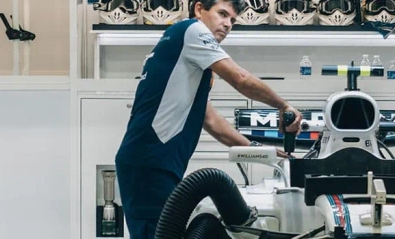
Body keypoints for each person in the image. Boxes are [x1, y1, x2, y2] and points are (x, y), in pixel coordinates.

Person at [113, 0, 303, 238]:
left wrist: (258, 149)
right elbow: (240, 78)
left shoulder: (187, 52)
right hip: (149, 160)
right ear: (199, 9)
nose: (227, 24)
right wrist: (282, 105)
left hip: (154, 161)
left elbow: (211, 120)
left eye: (232, 20)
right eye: (222, 14)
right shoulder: (192, 30)